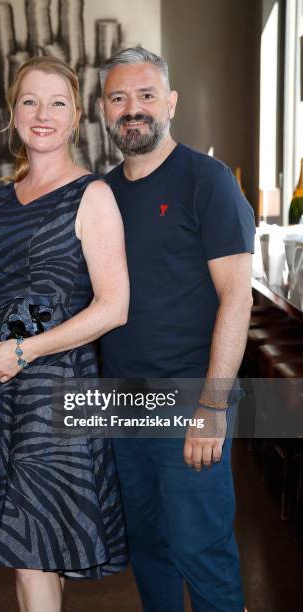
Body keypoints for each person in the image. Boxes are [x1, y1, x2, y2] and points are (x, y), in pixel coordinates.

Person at [0, 55, 129, 612]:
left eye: (57, 103)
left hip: (57, 388)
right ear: (13, 115)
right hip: (0, 388)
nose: (42, 114)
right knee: (39, 547)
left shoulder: (92, 196)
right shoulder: (3, 198)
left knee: (31, 550)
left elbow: (114, 307)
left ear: (76, 117)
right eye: (30, 101)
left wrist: (25, 351)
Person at [98, 46, 255, 612]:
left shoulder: (207, 181)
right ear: (103, 110)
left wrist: (213, 406)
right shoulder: (103, 194)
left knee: (202, 551)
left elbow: (237, 298)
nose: (132, 109)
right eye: (119, 98)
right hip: (118, 403)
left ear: (171, 103)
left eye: (145, 95)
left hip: (190, 399)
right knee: (149, 547)